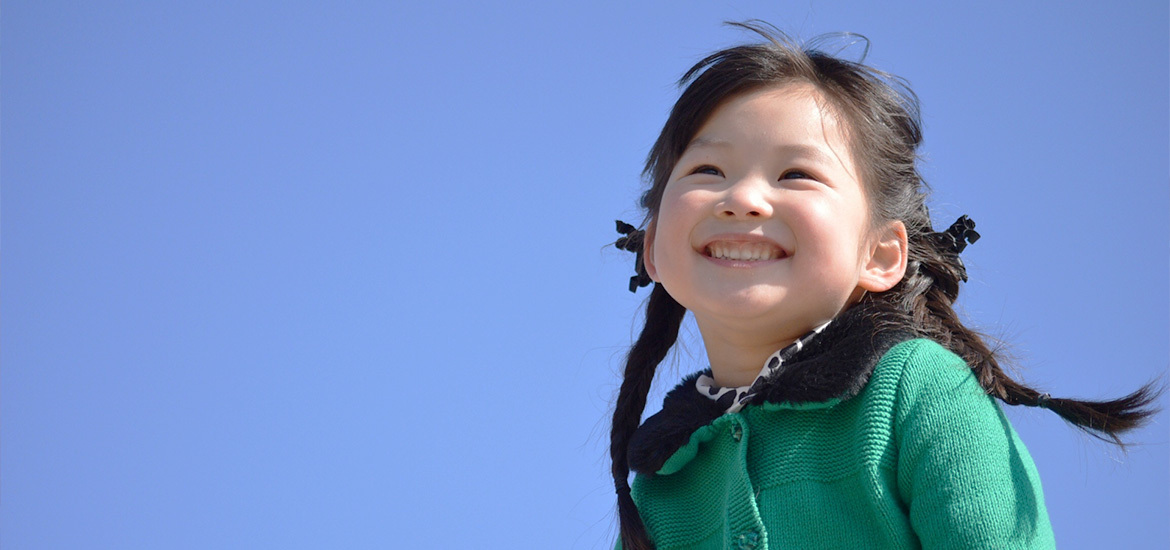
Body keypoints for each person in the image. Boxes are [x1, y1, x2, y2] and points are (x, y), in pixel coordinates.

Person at [609, 22, 1159, 550]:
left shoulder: (916, 390)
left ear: (880, 254)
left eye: (796, 174)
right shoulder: (662, 483)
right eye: (707, 170)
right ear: (652, 245)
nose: (743, 198)